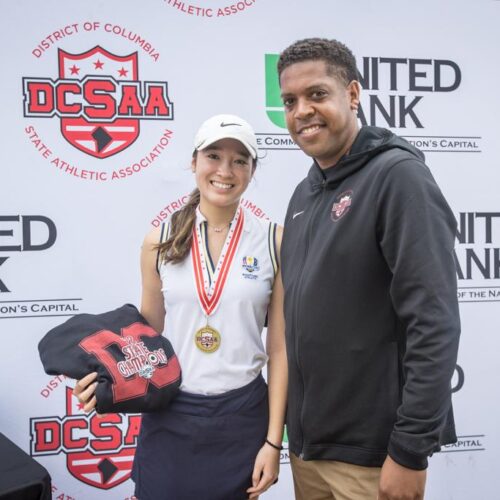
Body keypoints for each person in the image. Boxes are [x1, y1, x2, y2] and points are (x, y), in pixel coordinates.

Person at [277, 38, 460, 500]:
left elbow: (434, 322)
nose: (302, 111)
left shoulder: (398, 177)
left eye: (317, 94)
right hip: (309, 452)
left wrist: (410, 450)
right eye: (289, 101)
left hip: (375, 458)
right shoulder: (304, 194)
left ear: (353, 94)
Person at [73, 114, 287, 500]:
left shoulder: (274, 241)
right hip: (172, 413)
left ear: (252, 170)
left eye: (240, 160)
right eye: (214, 156)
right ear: (194, 163)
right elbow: (146, 338)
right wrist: (102, 379)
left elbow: (280, 349)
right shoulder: (160, 240)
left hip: (242, 416)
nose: (225, 170)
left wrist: (273, 443)